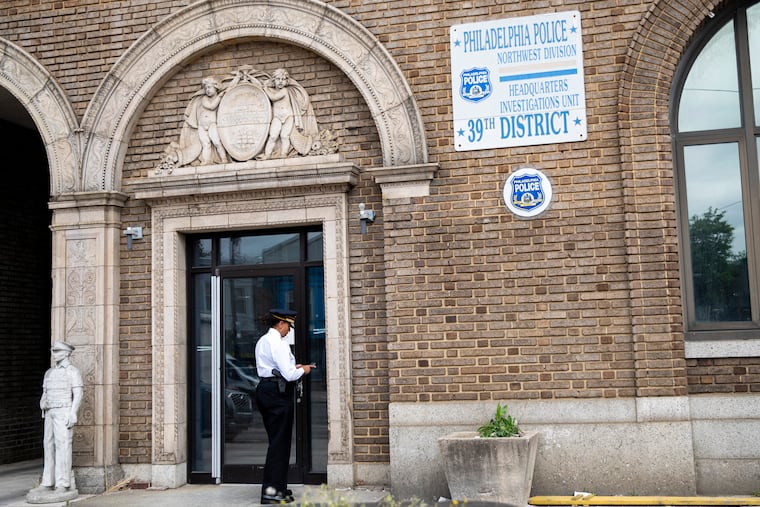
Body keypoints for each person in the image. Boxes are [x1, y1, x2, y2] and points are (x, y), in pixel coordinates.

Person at [254, 309, 315, 504]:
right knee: (279, 444)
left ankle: (278, 488)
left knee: (277, 442)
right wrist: (303, 370)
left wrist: (292, 369)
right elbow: (289, 375)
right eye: (288, 325)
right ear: (280, 324)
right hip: (277, 393)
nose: (289, 330)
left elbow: (278, 369)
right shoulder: (278, 343)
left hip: (267, 390)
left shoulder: (263, 341)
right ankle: (271, 492)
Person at [38, 341, 83, 494]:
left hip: (63, 410)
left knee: (63, 445)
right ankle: (48, 481)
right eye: (54, 351)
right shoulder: (49, 372)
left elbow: (78, 394)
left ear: (66, 353)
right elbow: (45, 391)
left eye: (57, 351)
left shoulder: (72, 372)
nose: (54, 354)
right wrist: (43, 401)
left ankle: (63, 483)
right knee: (48, 445)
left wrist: (73, 413)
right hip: (50, 411)